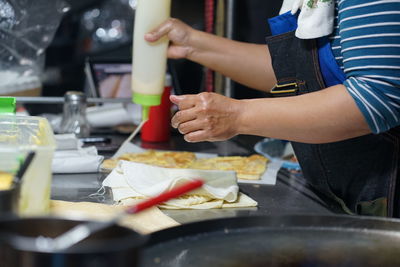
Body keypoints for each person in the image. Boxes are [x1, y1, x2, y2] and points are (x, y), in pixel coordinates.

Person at [144, 0, 400, 217]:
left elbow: (376, 95)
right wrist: (191, 43)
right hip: (341, 196)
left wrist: (237, 116)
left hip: (385, 202)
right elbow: (294, 74)